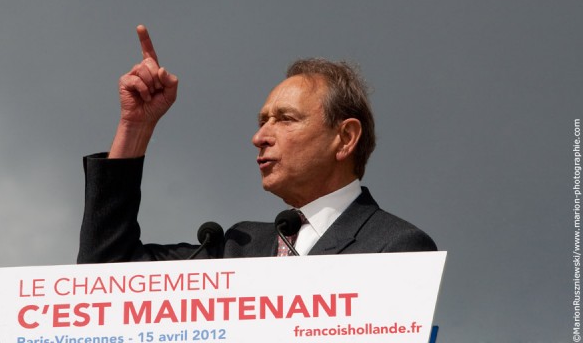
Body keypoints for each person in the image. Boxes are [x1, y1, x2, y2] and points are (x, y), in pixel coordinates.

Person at [77, 25, 436, 263]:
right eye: (263, 121)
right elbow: (107, 273)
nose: (259, 137)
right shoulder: (235, 247)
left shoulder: (396, 246)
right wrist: (135, 127)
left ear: (344, 138)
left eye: (285, 119)